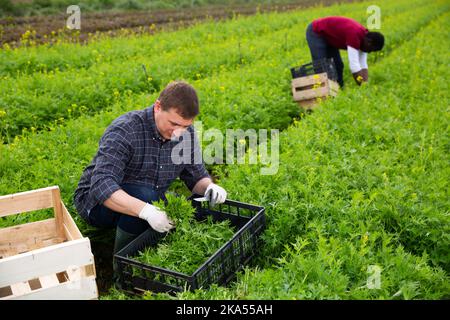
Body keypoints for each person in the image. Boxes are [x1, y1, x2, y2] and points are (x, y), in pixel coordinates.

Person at [73, 81, 227, 275]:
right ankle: (123, 271)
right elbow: (101, 185)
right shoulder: (125, 129)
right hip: (96, 205)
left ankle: (149, 258)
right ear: (157, 107)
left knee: (173, 205)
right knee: (146, 196)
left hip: (146, 195)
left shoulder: (185, 134)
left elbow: (195, 175)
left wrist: (209, 188)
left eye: (185, 126)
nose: (178, 132)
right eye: (173, 124)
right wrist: (146, 211)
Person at [305, 16, 384, 87]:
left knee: (338, 65)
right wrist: (362, 86)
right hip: (316, 31)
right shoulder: (355, 35)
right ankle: (321, 94)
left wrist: (365, 83)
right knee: (321, 65)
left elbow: (363, 64)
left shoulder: (365, 39)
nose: (369, 52)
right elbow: (354, 65)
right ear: (369, 42)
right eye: (371, 50)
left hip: (330, 37)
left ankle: (339, 89)